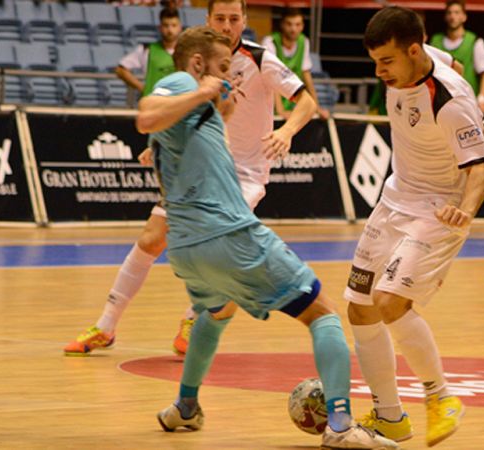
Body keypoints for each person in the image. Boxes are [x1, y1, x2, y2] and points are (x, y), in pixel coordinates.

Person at [137, 25, 399, 450]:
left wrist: (215, 103)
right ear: (199, 64)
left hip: (185, 249)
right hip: (227, 235)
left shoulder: (195, 106)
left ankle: (185, 407)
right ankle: (339, 425)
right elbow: (146, 115)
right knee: (324, 312)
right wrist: (205, 91)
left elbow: (169, 128)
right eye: (224, 69)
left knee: (216, 313)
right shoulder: (183, 82)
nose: (229, 78)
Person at [63, 0, 318, 356]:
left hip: (242, 175)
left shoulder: (260, 58)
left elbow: (306, 101)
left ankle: (195, 315)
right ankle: (105, 326)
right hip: (198, 166)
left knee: (217, 246)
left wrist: (288, 130)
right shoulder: (198, 59)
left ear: (244, 20)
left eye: (234, 19)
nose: (227, 26)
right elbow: (188, 112)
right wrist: (163, 144)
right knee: (152, 239)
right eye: (220, 18)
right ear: (208, 19)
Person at [347, 6, 484, 447]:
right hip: (395, 198)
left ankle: (441, 396)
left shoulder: (449, 103)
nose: (380, 72)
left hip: (439, 208)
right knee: (360, 307)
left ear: (412, 52)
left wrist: (465, 210)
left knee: (390, 301)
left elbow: (481, 169)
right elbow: (453, 61)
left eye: (387, 61)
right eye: (375, 62)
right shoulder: (421, 54)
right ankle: (390, 418)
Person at [261, 7, 330, 119]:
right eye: (289, 24)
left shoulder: (304, 42)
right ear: (282, 25)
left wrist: (317, 107)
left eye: (298, 24)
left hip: (292, 100)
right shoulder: (270, 42)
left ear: (302, 26)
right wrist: (280, 110)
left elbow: (307, 77)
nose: (293, 29)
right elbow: (272, 78)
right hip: (270, 104)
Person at [429, 0, 484, 114]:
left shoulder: (474, 41)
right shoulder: (435, 41)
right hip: (441, 101)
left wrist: (482, 99)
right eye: (449, 13)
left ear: (464, 17)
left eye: (457, 12)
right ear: (445, 17)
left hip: (466, 101)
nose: (453, 16)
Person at [116, 7, 182, 98]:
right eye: (166, 25)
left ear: (180, 27)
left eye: (174, 25)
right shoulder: (146, 50)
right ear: (160, 27)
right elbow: (120, 70)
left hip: (178, 104)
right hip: (152, 104)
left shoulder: (187, 52)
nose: (170, 30)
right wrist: (143, 88)